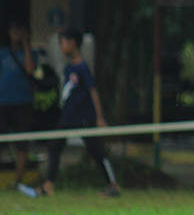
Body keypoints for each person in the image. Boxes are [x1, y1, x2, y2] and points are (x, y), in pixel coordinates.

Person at [39, 28, 120, 197]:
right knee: (55, 146)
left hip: (83, 117)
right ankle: (49, 184)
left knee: (96, 151)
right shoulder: (69, 68)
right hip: (68, 116)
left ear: (72, 43)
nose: (61, 47)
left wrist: (99, 117)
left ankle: (113, 185)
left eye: (63, 42)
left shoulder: (83, 67)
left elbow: (93, 91)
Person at [0, 20, 39, 193]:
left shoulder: (32, 53)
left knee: (21, 142)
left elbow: (30, 70)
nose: (16, 33)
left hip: (22, 102)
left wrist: (25, 43)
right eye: (14, 30)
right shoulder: (2, 53)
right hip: (3, 102)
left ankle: (17, 181)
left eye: (20, 31)